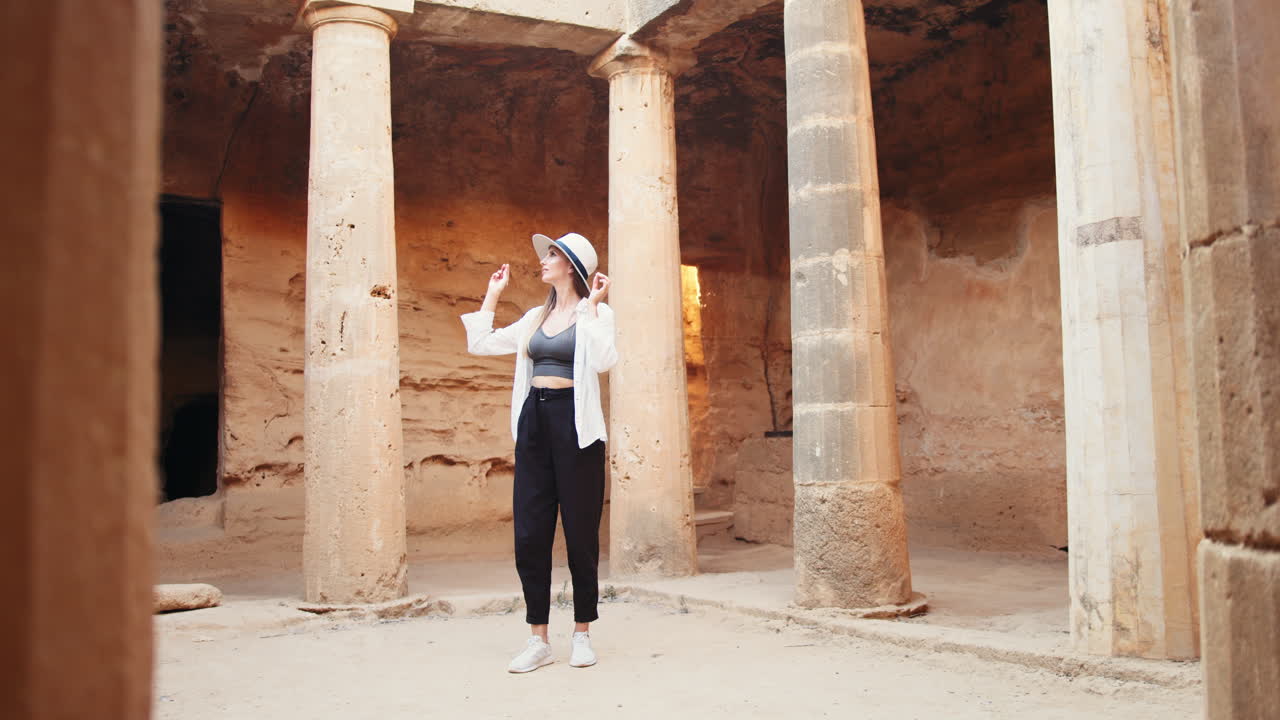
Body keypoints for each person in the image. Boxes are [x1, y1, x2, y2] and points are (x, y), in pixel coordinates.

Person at [459, 231, 617, 673]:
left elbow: (605, 360)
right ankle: (539, 639)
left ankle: (582, 633)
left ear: (570, 266)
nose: (542, 262)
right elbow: (482, 343)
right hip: (535, 422)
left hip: (577, 427)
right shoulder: (533, 317)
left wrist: (593, 305)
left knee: (581, 534)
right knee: (530, 533)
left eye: (551, 255)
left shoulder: (597, 314)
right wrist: (491, 296)